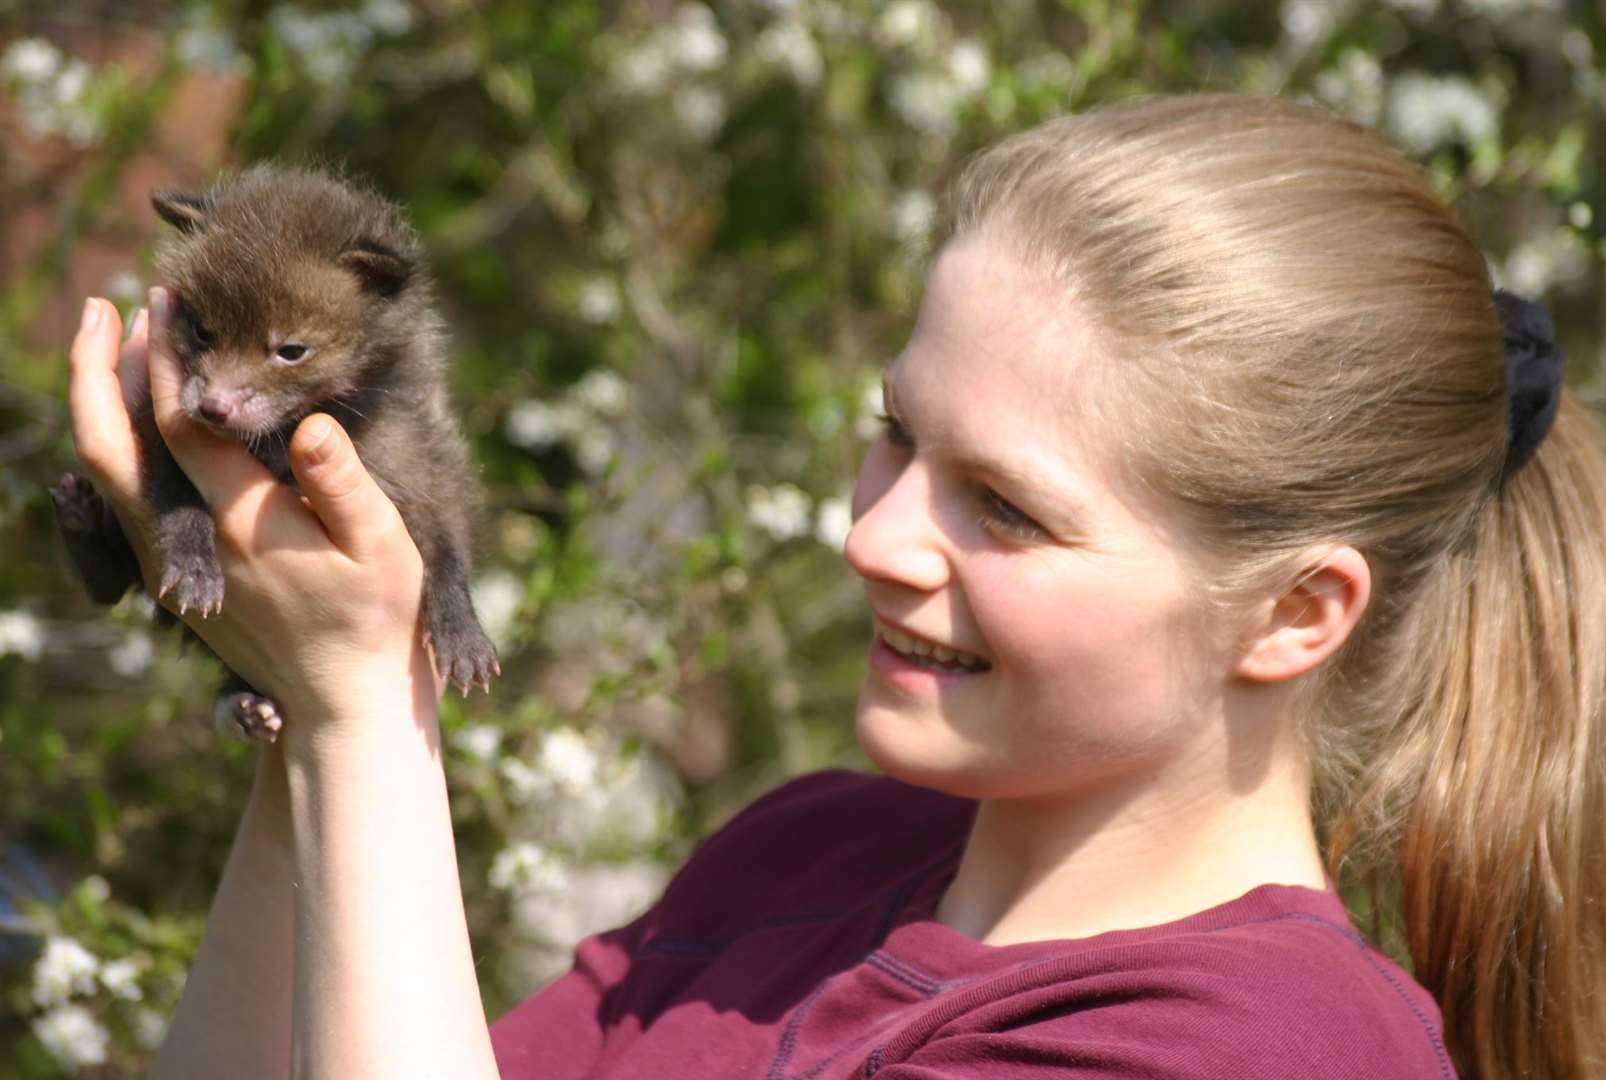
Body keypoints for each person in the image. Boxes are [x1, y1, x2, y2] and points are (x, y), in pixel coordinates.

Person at [65, 93, 1604, 1079]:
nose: (871, 536)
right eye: (892, 435)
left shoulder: (1243, 1045)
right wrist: (295, 689)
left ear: (1296, 613)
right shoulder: (791, 866)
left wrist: (359, 723)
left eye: (1002, 505)